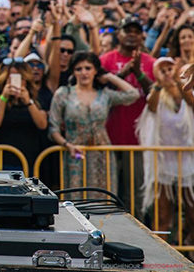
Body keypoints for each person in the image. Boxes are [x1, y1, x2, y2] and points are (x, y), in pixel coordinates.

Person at [49, 52, 138, 197]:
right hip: (75, 154)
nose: (84, 72)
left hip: (102, 153)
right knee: (76, 198)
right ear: (73, 72)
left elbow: (133, 94)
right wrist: (67, 144)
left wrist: (109, 76)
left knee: (103, 199)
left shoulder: (105, 94)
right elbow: (53, 127)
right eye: (79, 69)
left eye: (88, 68)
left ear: (95, 70)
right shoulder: (63, 94)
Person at [99, 16, 155, 215]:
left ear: (142, 36)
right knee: (108, 194)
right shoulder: (105, 60)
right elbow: (98, 90)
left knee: (136, 196)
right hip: (107, 140)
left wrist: (139, 73)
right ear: (119, 34)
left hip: (138, 142)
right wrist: (123, 73)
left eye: (136, 31)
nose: (132, 34)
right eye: (127, 30)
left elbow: (155, 94)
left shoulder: (151, 62)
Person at [136, 57, 194, 242]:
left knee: (193, 213)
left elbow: (192, 103)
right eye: (163, 70)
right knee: (163, 215)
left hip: (187, 161)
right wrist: (159, 85)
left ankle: (188, 247)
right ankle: (161, 254)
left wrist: (178, 80)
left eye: (170, 68)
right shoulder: (156, 94)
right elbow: (151, 106)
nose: (168, 72)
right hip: (163, 162)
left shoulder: (187, 93)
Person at [0, 58, 47, 170]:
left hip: (27, 163)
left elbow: (42, 124)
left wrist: (28, 102)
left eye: (20, 77)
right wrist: (4, 97)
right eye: (12, 77)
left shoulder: (36, 101)